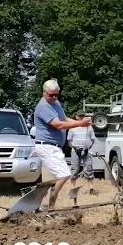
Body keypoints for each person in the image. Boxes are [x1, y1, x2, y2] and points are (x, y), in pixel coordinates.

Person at [33, 79, 92, 209]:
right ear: (44, 93)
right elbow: (58, 125)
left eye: (56, 95)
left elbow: (64, 120)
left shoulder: (56, 103)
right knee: (64, 174)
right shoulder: (43, 107)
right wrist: (80, 124)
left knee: (59, 176)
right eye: (51, 95)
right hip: (47, 146)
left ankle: (44, 204)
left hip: (54, 147)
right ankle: (50, 207)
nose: (54, 98)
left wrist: (81, 125)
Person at [67, 110, 97, 195]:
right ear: (76, 117)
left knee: (89, 169)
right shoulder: (72, 127)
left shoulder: (89, 127)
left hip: (87, 151)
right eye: (79, 116)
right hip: (75, 151)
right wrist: (75, 148)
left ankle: (91, 188)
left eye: (82, 116)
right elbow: (69, 142)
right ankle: (72, 188)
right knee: (75, 169)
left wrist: (88, 148)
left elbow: (93, 140)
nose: (81, 118)